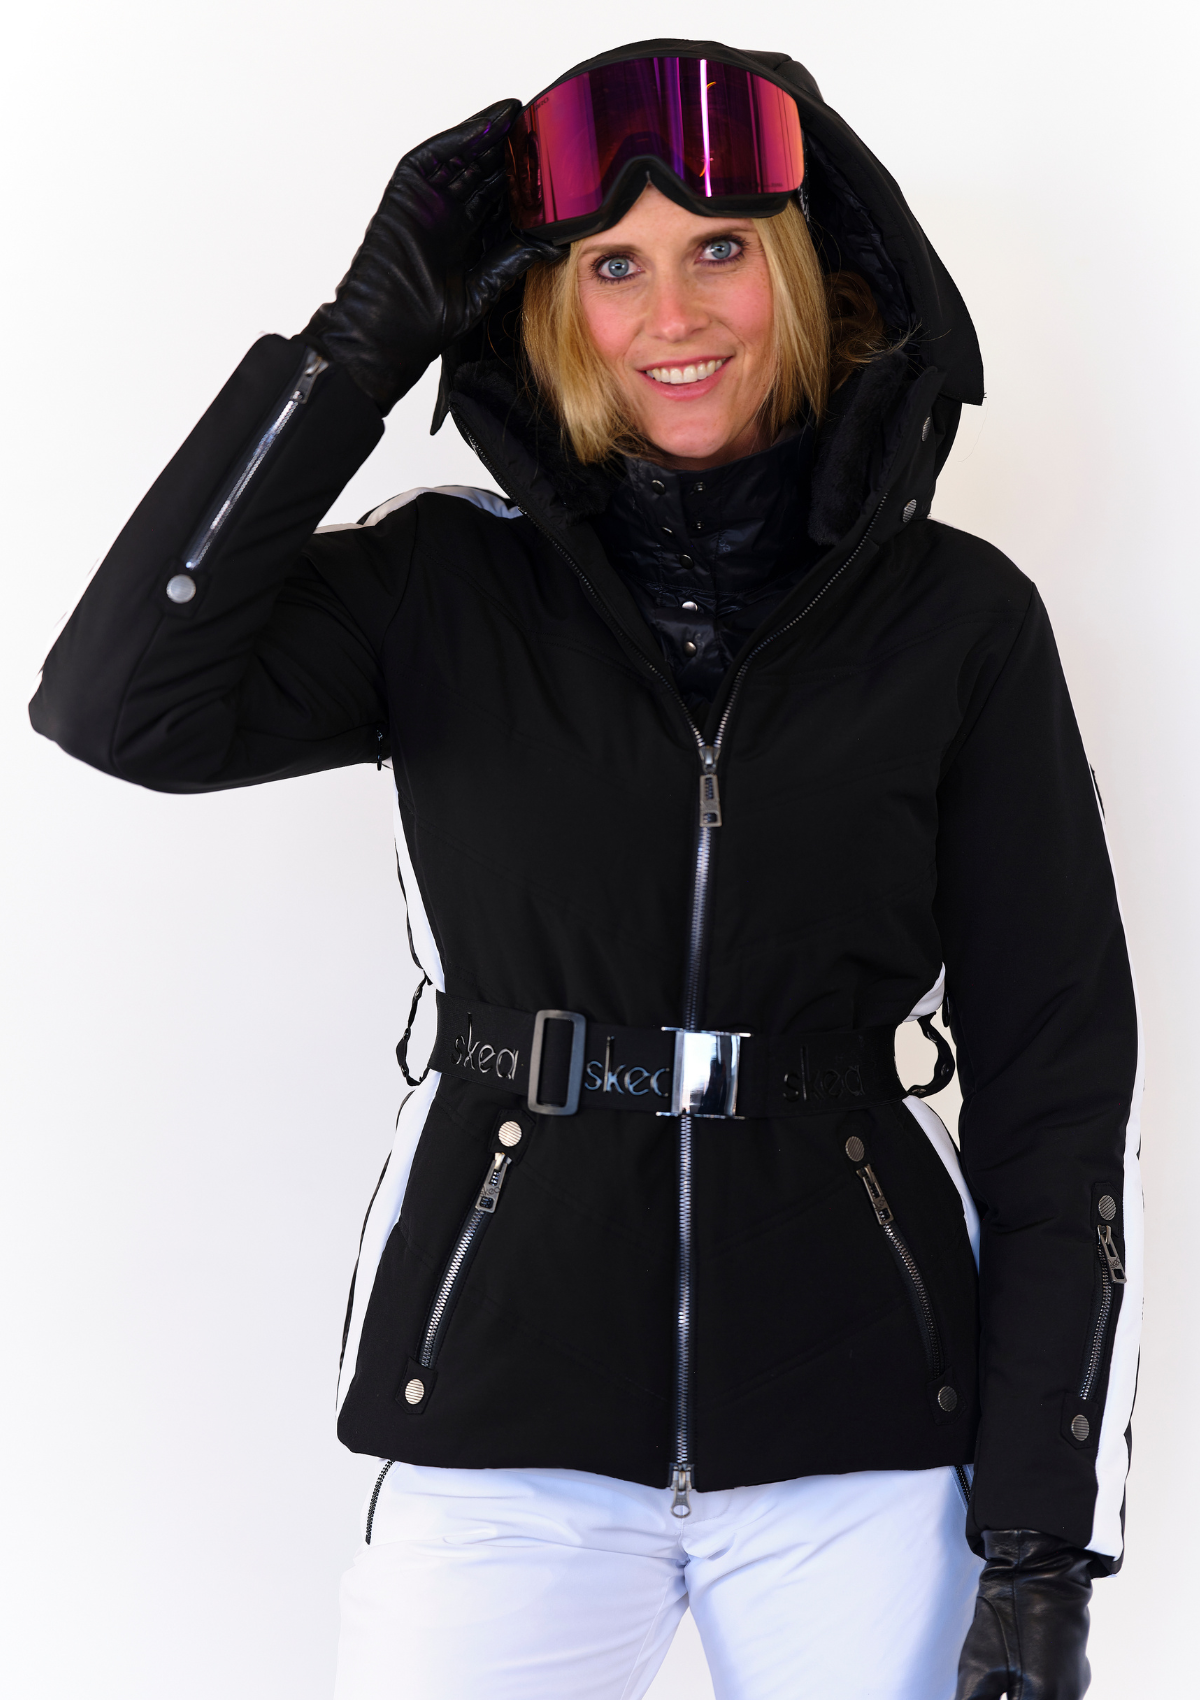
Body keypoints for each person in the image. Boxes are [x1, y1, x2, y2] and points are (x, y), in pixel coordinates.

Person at [30, 36, 1140, 1700]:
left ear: (805, 273)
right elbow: (120, 704)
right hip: (502, 1430)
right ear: (554, 305)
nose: (672, 315)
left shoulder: (958, 620)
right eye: (613, 264)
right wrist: (355, 348)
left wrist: (1045, 1541)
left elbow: (1059, 1079)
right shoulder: (438, 587)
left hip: (865, 1446)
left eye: (718, 251)